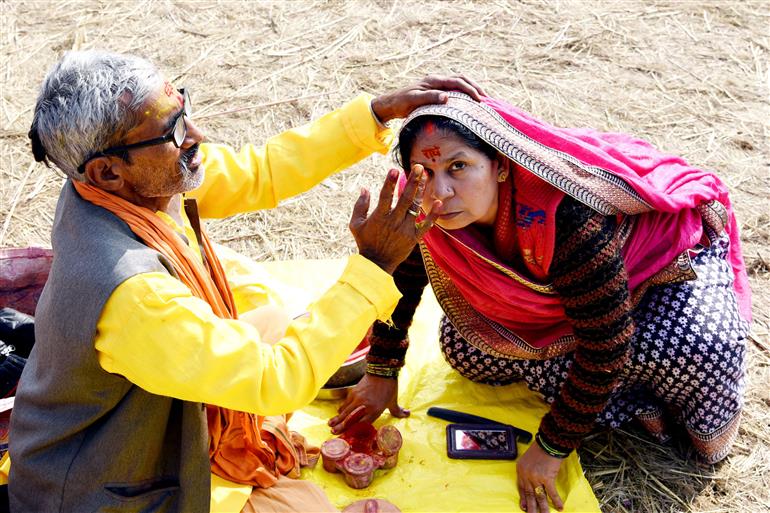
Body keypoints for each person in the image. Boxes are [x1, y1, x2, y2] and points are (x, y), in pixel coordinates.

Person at [7, 49, 486, 513]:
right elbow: (274, 380)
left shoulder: (134, 179)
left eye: (185, 109)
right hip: (100, 490)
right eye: (174, 129)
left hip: (148, 415)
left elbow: (260, 172)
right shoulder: (131, 292)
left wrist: (374, 114)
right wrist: (375, 266)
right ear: (107, 171)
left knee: (271, 315)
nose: (196, 133)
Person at [329, 92, 752, 513]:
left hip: (660, 271)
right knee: (466, 351)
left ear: (498, 165)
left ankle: (667, 410)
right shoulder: (420, 203)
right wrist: (382, 369)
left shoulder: (562, 214)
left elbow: (607, 342)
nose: (441, 191)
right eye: (425, 171)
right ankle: (630, 399)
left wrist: (551, 448)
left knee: (701, 345)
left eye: (459, 167)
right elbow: (404, 279)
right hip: (578, 305)